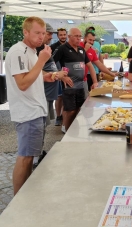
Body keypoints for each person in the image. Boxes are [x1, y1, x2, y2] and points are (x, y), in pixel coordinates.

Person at [5, 16, 55, 195]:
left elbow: (33, 74)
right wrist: (42, 60)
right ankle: (18, 200)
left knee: (31, 156)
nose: (41, 37)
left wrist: (48, 75)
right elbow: (23, 83)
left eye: (43, 33)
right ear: (25, 32)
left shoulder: (32, 51)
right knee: (25, 158)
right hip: (27, 113)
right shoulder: (18, 51)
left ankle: (25, 194)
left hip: (37, 110)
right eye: (37, 33)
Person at [33, 23, 68, 168]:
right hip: (43, 94)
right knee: (40, 125)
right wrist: (55, 74)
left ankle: (39, 151)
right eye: (48, 33)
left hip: (48, 94)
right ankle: (35, 156)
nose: (50, 36)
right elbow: (35, 71)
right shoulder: (38, 50)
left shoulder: (46, 48)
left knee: (44, 125)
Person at [53, 28, 98, 131]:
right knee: (70, 110)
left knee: (78, 109)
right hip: (69, 86)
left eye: (80, 36)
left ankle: (74, 131)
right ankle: (67, 130)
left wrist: (95, 82)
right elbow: (51, 64)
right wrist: (61, 76)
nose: (79, 38)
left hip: (81, 85)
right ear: (69, 37)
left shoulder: (82, 50)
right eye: (76, 36)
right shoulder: (62, 49)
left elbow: (90, 66)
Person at [80, 31, 117, 97]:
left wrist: (111, 74)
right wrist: (85, 49)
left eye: (93, 40)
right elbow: (77, 60)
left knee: (84, 100)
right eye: (90, 40)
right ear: (85, 38)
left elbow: (99, 64)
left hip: (84, 79)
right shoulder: (78, 46)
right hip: (74, 80)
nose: (91, 42)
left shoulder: (92, 50)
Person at [51, 27, 68, 126]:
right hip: (57, 74)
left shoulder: (69, 46)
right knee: (59, 97)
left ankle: (66, 116)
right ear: (57, 36)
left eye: (64, 34)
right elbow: (50, 62)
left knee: (67, 96)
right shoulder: (53, 47)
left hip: (68, 75)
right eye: (61, 35)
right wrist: (57, 73)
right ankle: (58, 116)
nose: (63, 36)